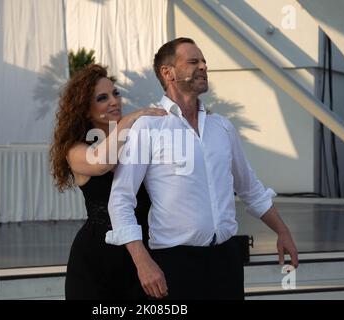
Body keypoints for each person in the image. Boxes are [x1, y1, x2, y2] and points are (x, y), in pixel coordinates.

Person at [106, 38, 299, 300]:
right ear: (168, 72)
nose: (203, 67)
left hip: (227, 261)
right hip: (175, 263)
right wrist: (143, 262)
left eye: (204, 61)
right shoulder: (148, 127)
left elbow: (250, 189)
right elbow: (120, 199)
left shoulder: (222, 127)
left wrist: (283, 230)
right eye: (193, 61)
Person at [49, 64, 167, 300]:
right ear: (85, 109)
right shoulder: (75, 149)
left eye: (116, 93)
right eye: (102, 98)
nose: (114, 101)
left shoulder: (136, 140)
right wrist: (129, 119)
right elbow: (103, 162)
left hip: (143, 252)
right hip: (97, 261)